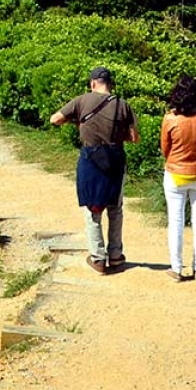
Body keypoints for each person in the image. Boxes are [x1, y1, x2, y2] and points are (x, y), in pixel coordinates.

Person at [50, 66, 139, 273]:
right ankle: (116, 255)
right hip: (116, 160)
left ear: (92, 83)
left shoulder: (82, 101)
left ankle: (98, 258)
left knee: (93, 209)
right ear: (110, 84)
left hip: (91, 160)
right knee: (115, 208)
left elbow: (55, 119)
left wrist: (78, 122)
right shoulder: (123, 105)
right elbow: (134, 138)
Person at [160, 74, 196, 281]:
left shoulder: (170, 118)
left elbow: (165, 148)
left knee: (176, 222)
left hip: (175, 174)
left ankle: (176, 268)